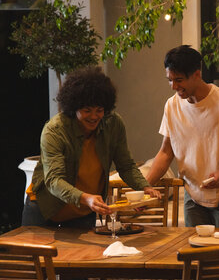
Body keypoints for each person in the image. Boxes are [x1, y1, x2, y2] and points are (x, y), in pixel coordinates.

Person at [22, 66, 161, 229]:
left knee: (84, 255)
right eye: (87, 111)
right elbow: (54, 181)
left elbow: (126, 166)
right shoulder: (55, 130)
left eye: (99, 110)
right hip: (45, 209)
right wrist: (86, 198)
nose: (94, 116)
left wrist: (144, 187)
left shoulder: (113, 124)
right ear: (74, 108)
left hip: (83, 211)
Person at [146, 45, 219, 227]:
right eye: (170, 80)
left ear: (197, 74)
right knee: (194, 249)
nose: (174, 86)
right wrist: (145, 186)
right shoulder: (172, 106)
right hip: (192, 195)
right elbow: (165, 153)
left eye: (179, 80)